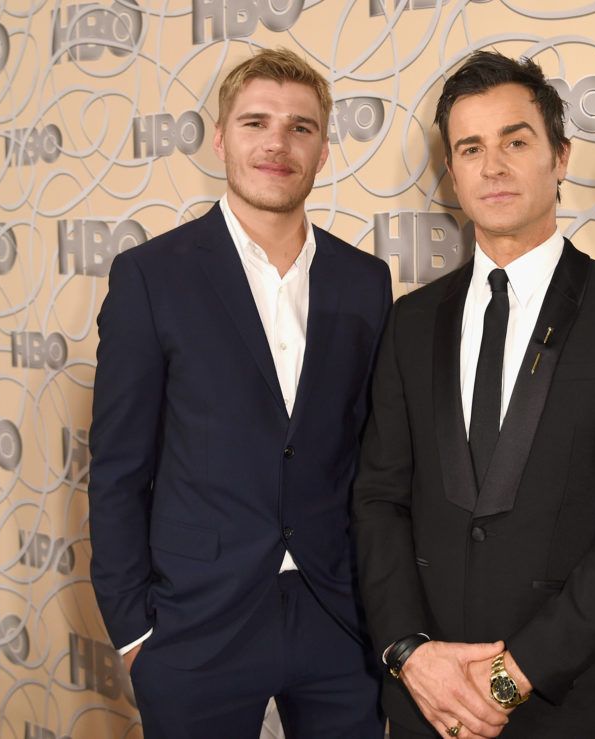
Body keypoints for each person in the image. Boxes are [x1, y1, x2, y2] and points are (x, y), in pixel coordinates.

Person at [352, 50, 595, 739]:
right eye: (470, 148)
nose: (493, 165)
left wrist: (513, 676)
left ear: (560, 156)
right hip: (428, 705)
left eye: (516, 140)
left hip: (569, 707)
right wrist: (411, 654)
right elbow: (379, 499)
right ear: (452, 172)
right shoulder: (410, 322)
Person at [88, 47, 390, 738]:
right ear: (221, 137)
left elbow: (371, 458)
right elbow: (118, 469)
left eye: (301, 127)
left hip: (337, 615)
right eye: (256, 122)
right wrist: (135, 632)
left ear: (322, 149)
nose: (277, 143)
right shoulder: (150, 277)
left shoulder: (366, 281)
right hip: (196, 624)